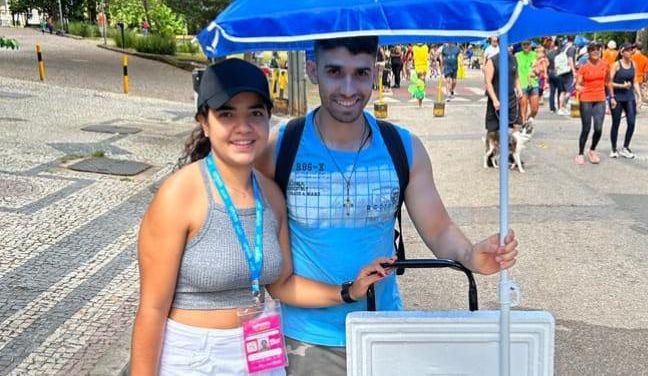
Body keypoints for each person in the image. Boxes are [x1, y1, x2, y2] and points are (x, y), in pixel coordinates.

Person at [256, 37, 519, 376]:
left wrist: (470, 255)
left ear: (375, 74)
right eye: (334, 71)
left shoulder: (403, 147)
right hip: (306, 339)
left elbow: (437, 228)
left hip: (383, 328)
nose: (349, 88)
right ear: (312, 71)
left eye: (361, 73)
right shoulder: (280, 146)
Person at [130, 59, 392, 376]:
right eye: (227, 114)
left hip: (259, 354)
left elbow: (282, 285)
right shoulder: (179, 195)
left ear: (268, 118)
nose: (243, 127)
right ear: (205, 122)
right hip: (195, 357)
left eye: (255, 113)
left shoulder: (270, 195)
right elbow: (152, 310)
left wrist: (348, 291)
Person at [575, 42, 613, 165]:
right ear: (589, 53)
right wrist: (579, 88)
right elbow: (578, 84)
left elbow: (608, 82)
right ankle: (580, 153)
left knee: (598, 128)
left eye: (598, 49)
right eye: (593, 50)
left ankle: (592, 150)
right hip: (586, 98)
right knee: (586, 128)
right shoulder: (584, 67)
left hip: (600, 98)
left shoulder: (605, 65)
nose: (596, 52)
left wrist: (612, 97)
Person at [609, 43, 643, 159]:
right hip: (618, 97)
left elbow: (635, 81)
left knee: (632, 122)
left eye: (631, 50)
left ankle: (625, 147)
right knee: (616, 123)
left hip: (629, 97)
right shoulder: (616, 65)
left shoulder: (634, 64)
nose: (630, 52)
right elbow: (609, 82)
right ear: (622, 52)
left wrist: (640, 96)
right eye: (627, 50)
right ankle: (613, 148)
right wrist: (616, 92)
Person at [484, 44, 521, 134]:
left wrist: (519, 89)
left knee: (517, 125)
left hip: (511, 98)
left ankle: (512, 146)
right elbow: (487, 82)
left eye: (511, 45)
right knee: (493, 130)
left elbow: (516, 76)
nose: (511, 48)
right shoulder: (492, 61)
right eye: (508, 45)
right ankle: (492, 147)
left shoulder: (514, 59)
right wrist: (494, 100)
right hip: (497, 98)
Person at [515, 41, 539, 123]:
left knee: (535, 109)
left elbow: (539, 70)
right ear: (521, 45)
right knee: (523, 108)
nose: (526, 46)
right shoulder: (517, 55)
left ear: (530, 45)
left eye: (527, 44)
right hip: (522, 84)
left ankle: (528, 121)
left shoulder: (535, 55)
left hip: (534, 83)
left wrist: (537, 71)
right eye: (524, 44)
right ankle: (523, 125)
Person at [557, 35, 578, 115]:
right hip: (568, 71)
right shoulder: (572, 48)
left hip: (561, 71)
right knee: (570, 90)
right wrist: (574, 71)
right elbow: (570, 59)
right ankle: (564, 105)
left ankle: (561, 108)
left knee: (562, 91)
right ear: (574, 39)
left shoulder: (563, 48)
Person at [546, 38, 564, 113]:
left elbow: (547, 64)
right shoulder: (561, 53)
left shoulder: (549, 53)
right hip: (559, 73)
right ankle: (560, 107)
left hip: (551, 72)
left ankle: (552, 108)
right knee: (560, 91)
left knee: (552, 91)